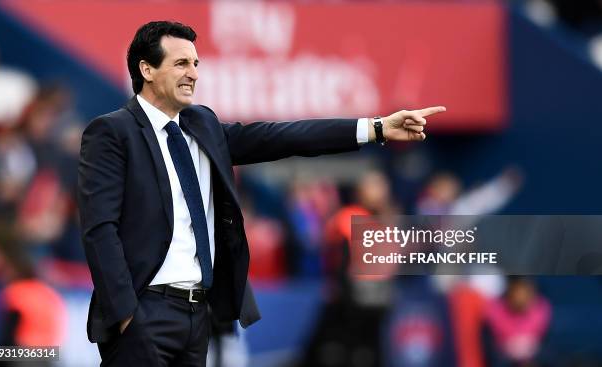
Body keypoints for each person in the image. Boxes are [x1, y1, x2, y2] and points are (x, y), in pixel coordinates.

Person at [77, 20, 446, 366]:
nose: (193, 73)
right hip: (144, 311)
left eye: (195, 63)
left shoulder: (202, 124)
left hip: (197, 316)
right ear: (146, 70)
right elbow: (100, 230)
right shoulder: (112, 132)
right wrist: (127, 316)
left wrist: (377, 128)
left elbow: (282, 137)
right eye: (180, 63)